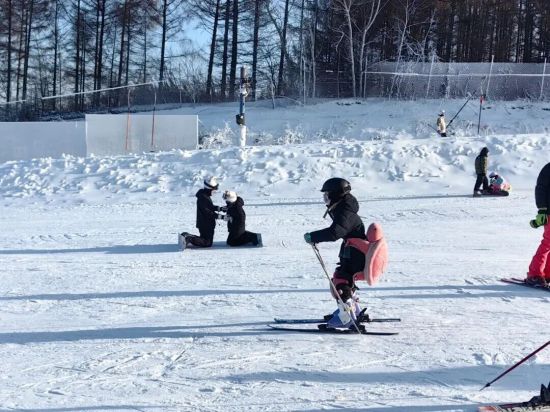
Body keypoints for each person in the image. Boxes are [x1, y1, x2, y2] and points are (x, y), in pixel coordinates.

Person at [303, 178, 366, 329]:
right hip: (353, 252)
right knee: (343, 279)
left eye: (327, 195)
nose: (325, 198)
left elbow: (335, 232)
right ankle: (353, 311)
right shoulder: (344, 208)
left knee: (340, 282)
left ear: (336, 194)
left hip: (355, 254)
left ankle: (347, 318)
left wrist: (314, 236)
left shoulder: (345, 211)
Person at [179, 177, 227, 249]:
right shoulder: (203, 198)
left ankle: (186, 235)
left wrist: (220, 208)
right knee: (207, 243)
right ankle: (188, 238)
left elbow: (210, 207)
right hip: (205, 224)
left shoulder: (204, 195)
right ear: (209, 189)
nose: (214, 191)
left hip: (206, 223)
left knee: (205, 239)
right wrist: (221, 217)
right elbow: (208, 213)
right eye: (213, 190)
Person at [526, 162, 550, 287]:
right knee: (547, 243)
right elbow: (540, 188)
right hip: (549, 212)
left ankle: (547, 273)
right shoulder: (548, 168)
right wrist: (542, 210)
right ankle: (534, 275)